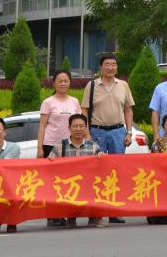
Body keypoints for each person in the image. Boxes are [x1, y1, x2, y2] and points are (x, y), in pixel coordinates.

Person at [81, 54, 134, 225]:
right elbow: (84, 110)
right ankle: (97, 211)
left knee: (116, 173)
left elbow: (128, 110)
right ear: (100, 67)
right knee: (97, 172)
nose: (111, 67)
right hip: (97, 132)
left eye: (113, 64)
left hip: (118, 132)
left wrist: (129, 132)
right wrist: (87, 133)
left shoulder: (123, 85)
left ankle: (114, 211)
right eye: (107, 64)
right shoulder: (92, 85)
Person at [36, 69, 81, 227]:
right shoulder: (48, 102)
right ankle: (53, 215)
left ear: (70, 83)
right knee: (52, 182)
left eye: (66, 81)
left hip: (69, 146)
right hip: (51, 145)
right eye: (60, 81)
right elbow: (42, 126)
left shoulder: (74, 101)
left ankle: (68, 213)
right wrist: (40, 148)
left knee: (68, 181)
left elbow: (80, 124)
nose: (63, 83)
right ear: (54, 83)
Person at [47, 114, 105, 227]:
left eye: (81, 126)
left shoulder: (93, 146)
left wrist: (102, 157)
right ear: (69, 128)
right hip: (68, 183)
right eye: (75, 126)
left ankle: (95, 217)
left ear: (86, 128)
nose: (78, 129)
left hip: (88, 183)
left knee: (99, 186)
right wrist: (51, 161)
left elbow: (102, 167)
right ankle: (70, 217)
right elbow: (50, 167)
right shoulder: (60, 146)